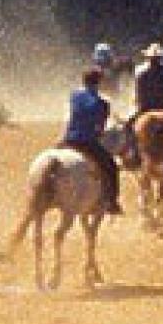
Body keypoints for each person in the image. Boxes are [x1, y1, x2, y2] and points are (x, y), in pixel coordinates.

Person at [60, 67, 123, 215]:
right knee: (111, 166)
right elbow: (100, 128)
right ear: (99, 83)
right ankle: (111, 202)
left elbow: (71, 117)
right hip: (87, 142)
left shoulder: (74, 96)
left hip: (69, 139)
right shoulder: (103, 103)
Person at [122, 43, 163, 167]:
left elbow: (137, 93)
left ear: (148, 58)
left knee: (128, 126)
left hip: (145, 108)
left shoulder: (140, 71)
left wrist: (137, 101)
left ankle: (132, 153)